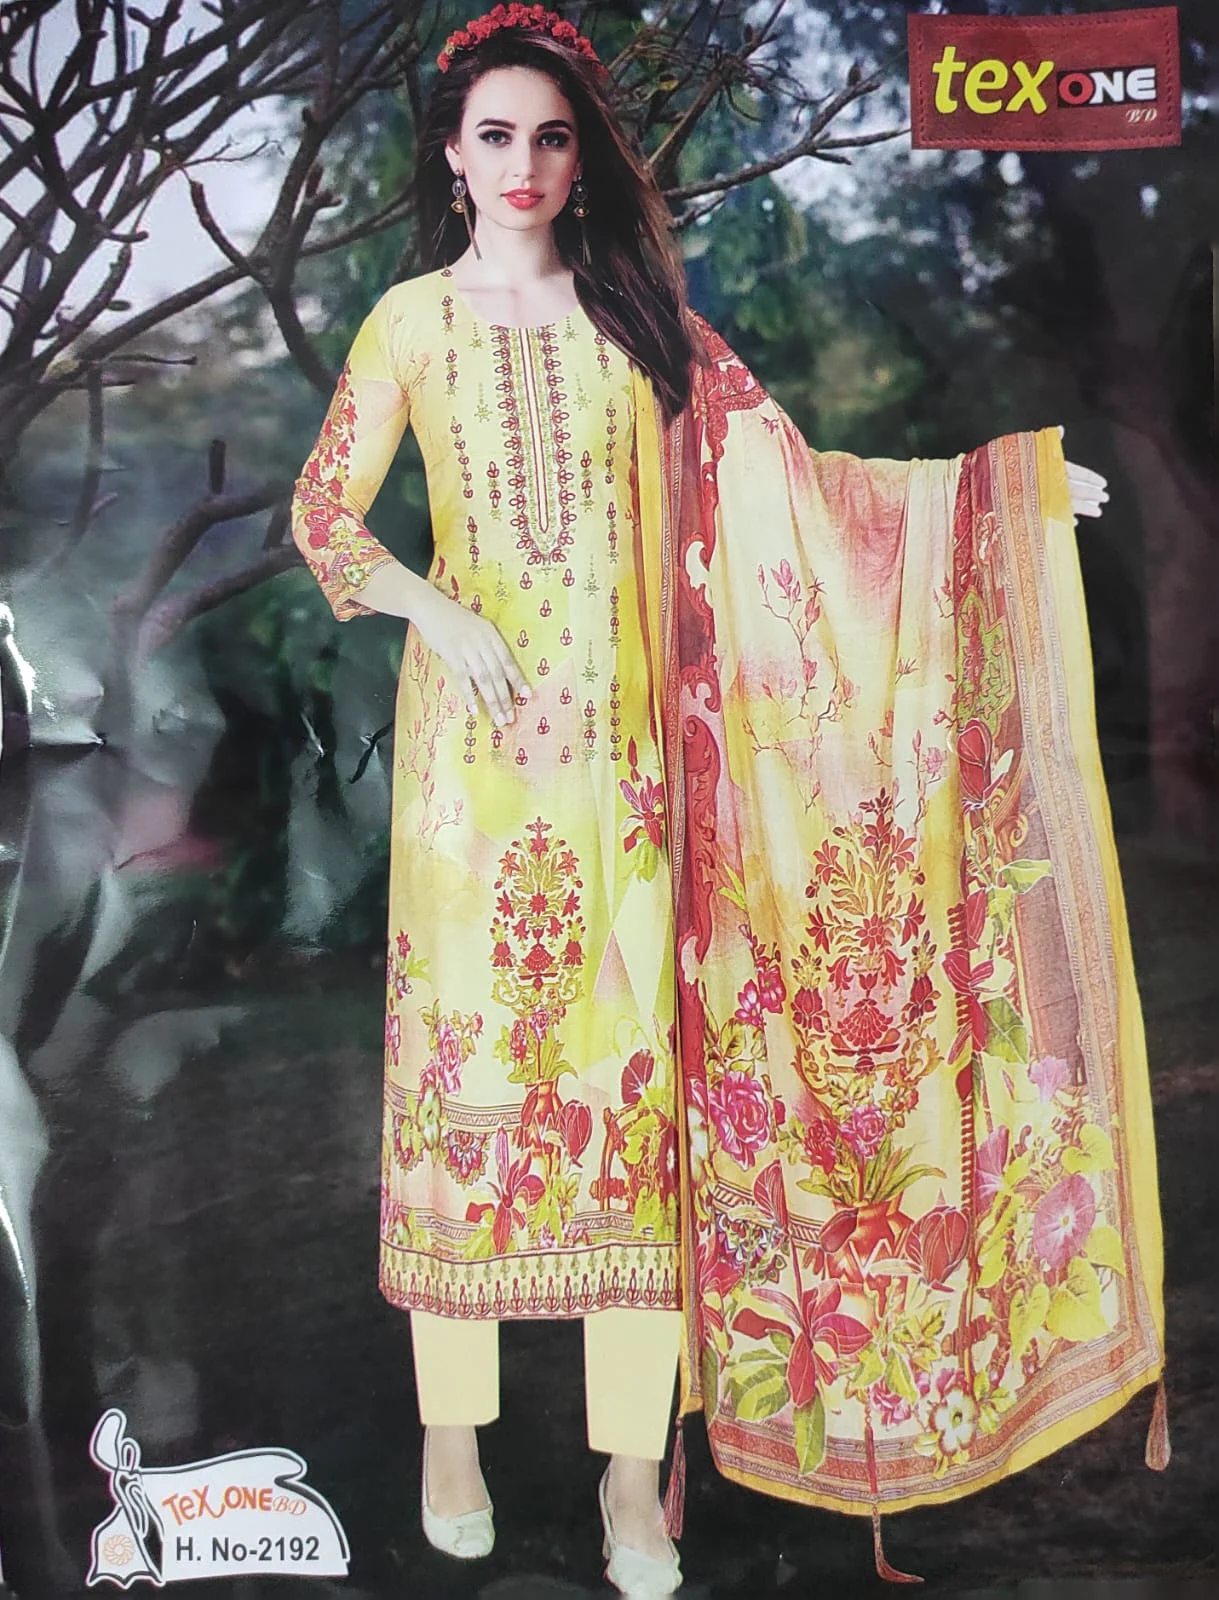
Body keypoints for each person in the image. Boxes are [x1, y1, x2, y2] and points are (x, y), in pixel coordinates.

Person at [290, 6, 1166, 1593]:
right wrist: (436, 607)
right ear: (450, 156)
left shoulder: (647, 329)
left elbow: (796, 498)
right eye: (493, 136)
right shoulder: (408, 322)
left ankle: (632, 1481)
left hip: (632, 778)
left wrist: (996, 493)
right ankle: (450, 1435)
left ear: (579, 159)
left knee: (640, 1120)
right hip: (466, 787)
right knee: (463, 1104)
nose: (523, 164)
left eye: (550, 137)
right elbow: (323, 519)